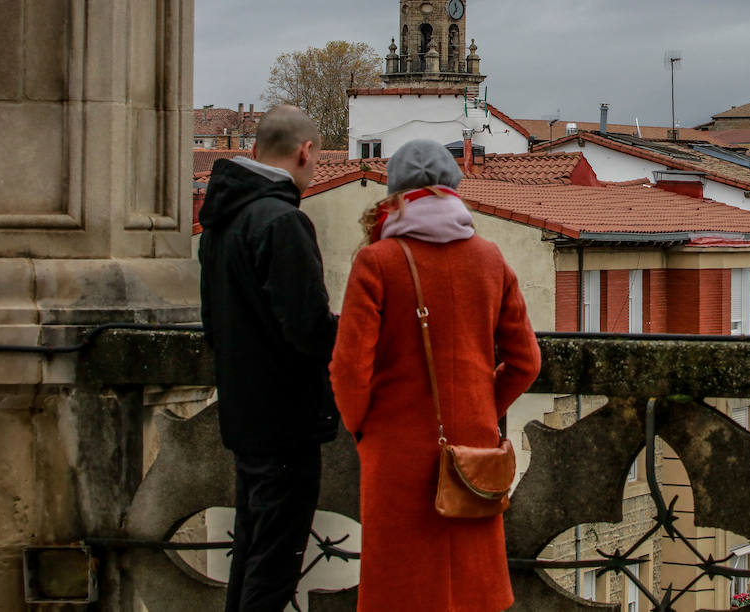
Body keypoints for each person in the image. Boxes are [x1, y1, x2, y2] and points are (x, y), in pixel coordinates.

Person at [331, 139, 541, 612]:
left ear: (394, 194)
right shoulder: (490, 258)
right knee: (471, 590)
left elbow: (348, 370)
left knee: (400, 590)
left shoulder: (378, 262)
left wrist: (365, 428)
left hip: (395, 454)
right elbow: (526, 361)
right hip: (474, 453)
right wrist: (482, 407)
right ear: (454, 191)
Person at [198, 105, 339, 612]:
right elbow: (308, 328)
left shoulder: (222, 221)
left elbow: (213, 324)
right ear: (305, 153)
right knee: (274, 566)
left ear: (255, 151)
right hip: (286, 421)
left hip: (244, 414)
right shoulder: (283, 221)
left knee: (252, 554)